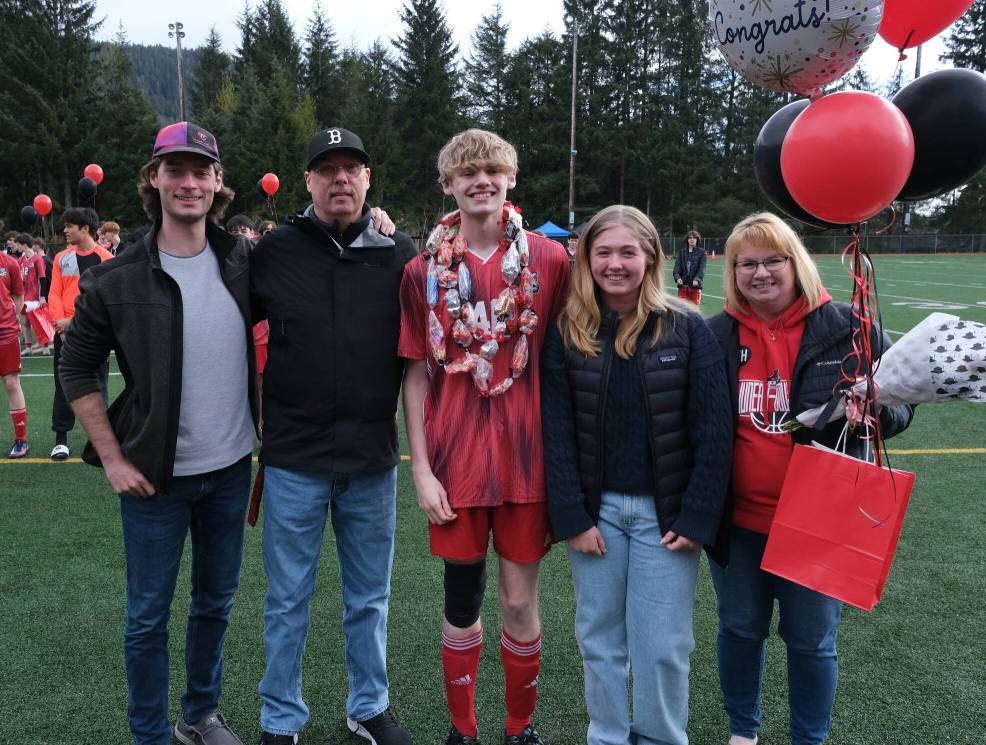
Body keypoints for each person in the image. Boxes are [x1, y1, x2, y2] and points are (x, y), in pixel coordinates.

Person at [59, 121, 259, 745]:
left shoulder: (244, 261)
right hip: (153, 478)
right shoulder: (117, 278)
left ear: (218, 183)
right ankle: (149, 734)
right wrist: (112, 457)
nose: (189, 182)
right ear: (154, 179)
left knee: (215, 605)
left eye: (201, 170)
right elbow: (74, 364)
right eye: (175, 169)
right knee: (148, 618)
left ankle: (199, 715)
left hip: (230, 471)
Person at [706, 212, 914, 745]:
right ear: (732, 272)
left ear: (794, 262)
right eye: (745, 263)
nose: (760, 273)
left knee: (811, 641)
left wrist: (876, 413)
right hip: (740, 522)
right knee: (738, 630)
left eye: (772, 259)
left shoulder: (849, 325)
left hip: (819, 521)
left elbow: (903, 406)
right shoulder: (717, 334)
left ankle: (808, 739)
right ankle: (743, 733)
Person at [399, 129, 571, 745]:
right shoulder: (422, 272)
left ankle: (519, 728)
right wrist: (421, 469)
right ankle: (463, 730)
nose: (482, 180)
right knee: (462, 602)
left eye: (493, 170)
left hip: (529, 462)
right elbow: (416, 373)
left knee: (520, 605)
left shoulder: (551, 262)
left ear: (511, 180)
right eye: (467, 172)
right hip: (456, 464)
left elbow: (567, 358)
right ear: (448, 185)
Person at [540, 205, 732, 745]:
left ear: (650, 257)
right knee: (599, 640)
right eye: (603, 252)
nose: (615, 264)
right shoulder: (567, 330)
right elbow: (555, 432)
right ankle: (606, 735)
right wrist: (572, 516)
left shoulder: (688, 329)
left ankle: (662, 737)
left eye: (628, 252)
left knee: (663, 645)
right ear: (586, 258)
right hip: (596, 515)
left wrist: (697, 515)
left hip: (664, 519)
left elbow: (713, 433)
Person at [250, 127, 417, 745]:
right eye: (328, 169)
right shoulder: (275, 251)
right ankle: (280, 718)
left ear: (368, 179)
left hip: (372, 458)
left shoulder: (399, 254)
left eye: (352, 168)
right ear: (308, 182)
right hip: (294, 458)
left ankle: (367, 706)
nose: (341, 178)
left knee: (369, 599)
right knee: (287, 601)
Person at [49, 207, 112, 460]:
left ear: (85, 229)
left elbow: (104, 301)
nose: (64, 230)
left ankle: (99, 442)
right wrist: (59, 326)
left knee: (99, 386)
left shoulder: (106, 259)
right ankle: (61, 439)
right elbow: (53, 293)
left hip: (93, 332)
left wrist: (72, 323)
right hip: (62, 331)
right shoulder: (60, 258)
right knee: (62, 385)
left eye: (69, 226)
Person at [0, 244, 28, 458]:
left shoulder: (9, 263)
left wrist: (8, 320)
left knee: (11, 382)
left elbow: (19, 297)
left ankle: (21, 440)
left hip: (6, 333)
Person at [11, 233, 45, 354]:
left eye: (18, 245)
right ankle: (28, 347)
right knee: (25, 323)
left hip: (35, 297)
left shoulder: (37, 259)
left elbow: (42, 279)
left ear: (24, 245)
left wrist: (42, 297)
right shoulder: (20, 260)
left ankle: (45, 346)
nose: (17, 248)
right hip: (24, 297)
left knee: (39, 323)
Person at [673, 230, 706, 304]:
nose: (692, 239)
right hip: (683, 286)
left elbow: (702, 268)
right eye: (690, 238)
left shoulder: (702, 253)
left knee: (694, 311)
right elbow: (676, 268)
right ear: (687, 240)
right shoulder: (681, 252)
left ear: (697, 240)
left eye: (694, 238)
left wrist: (697, 279)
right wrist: (677, 278)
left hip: (695, 287)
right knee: (681, 310)